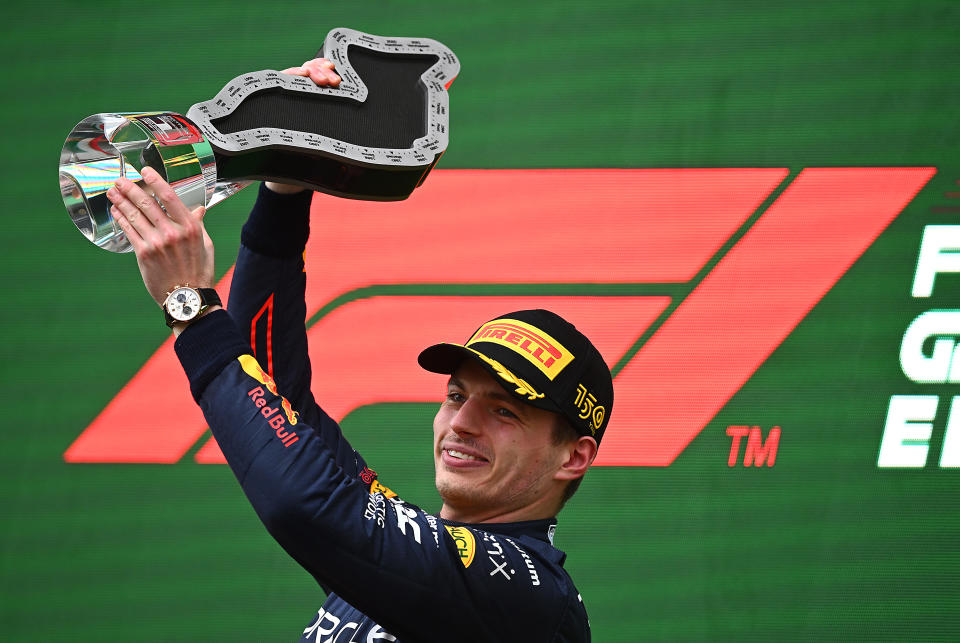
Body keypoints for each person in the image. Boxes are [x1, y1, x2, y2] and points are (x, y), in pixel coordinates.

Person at [105, 58, 614, 643]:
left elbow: (306, 505)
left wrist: (190, 306)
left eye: (505, 410)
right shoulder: (410, 545)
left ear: (572, 457)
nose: (461, 423)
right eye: (456, 395)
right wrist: (287, 183)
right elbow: (274, 394)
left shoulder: (532, 594)